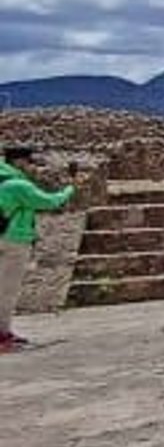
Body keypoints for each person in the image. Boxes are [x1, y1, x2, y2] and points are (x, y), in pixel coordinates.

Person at [1, 145, 76, 353]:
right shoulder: (18, 185)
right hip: (14, 239)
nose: (32, 167)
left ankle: (4, 331)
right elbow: (49, 202)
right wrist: (69, 190)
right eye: (29, 162)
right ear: (18, 162)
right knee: (7, 290)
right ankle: (2, 336)